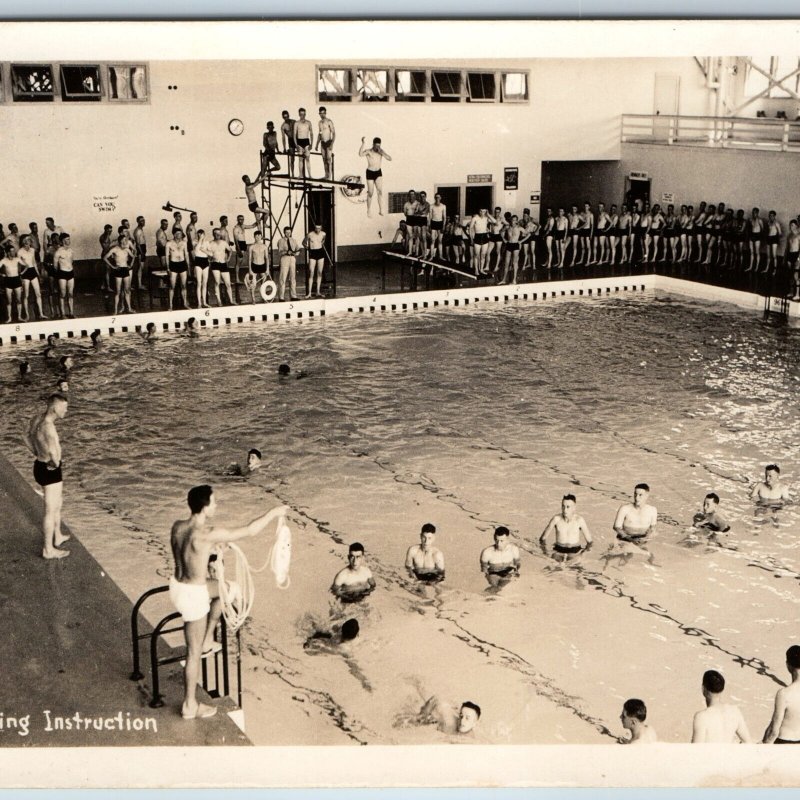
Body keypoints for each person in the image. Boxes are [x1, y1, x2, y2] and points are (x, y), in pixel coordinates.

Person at [170, 484, 288, 719]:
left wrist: (215, 547)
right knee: (193, 653)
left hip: (177, 587)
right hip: (193, 596)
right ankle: (189, 705)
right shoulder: (208, 533)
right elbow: (250, 530)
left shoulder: (178, 527)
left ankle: (207, 638)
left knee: (230, 589)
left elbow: (190, 552)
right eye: (214, 502)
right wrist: (275, 512)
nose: (217, 505)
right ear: (205, 507)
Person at [26, 393, 70, 559]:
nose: (66, 410)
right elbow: (53, 453)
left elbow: (26, 436)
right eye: (63, 407)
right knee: (50, 510)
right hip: (50, 470)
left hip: (40, 465)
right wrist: (56, 462)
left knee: (58, 503)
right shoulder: (49, 427)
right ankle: (48, 549)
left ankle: (57, 536)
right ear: (54, 408)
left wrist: (37, 452)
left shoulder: (38, 419)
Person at [691, 670, 752, 743]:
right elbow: (748, 742)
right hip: (728, 754)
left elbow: (695, 750)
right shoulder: (734, 711)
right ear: (722, 689)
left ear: (703, 689)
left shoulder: (701, 717)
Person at [763, 645, 800, 744]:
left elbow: (774, 732)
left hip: (785, 743)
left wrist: (762, 748)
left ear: (788, 665)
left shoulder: (784, 694)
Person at [539, 494, 593, 561]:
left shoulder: (579, 520)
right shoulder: (556, 519)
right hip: (558, 549)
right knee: (553, 568)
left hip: (575, 550)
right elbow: (542, 539)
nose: (565, 510)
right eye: (563, 506)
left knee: (576, 568)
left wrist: (582, 554)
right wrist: (545, 552)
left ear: (574, 508)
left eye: (568, 507)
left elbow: (590, 542)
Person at [359, 137, 392, 217]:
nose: (377, 148)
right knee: (370, 193)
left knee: (380, 191)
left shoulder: (381, 151)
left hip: (378, 172)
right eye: (376, 146)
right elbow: (360, 154)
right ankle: (369, 210)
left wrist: (382, 153)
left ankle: (381, 210)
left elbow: (390, 159)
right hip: (370, 172)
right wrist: (363, 143)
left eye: (379, 146)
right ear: (373, 144)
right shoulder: (369, 151)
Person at [103, 234, 135, 315]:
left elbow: (133, 256)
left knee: (127, 290)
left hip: (125, 270)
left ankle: (129, 308)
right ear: (120, 241)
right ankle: (116, 310)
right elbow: (105, 257)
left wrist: (131, 264)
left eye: (126, 240)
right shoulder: (115, 249)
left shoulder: (127, 250)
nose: (125, 242)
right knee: (118, 291)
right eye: (123, 240)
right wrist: (113, 266)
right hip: (118, 270)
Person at [207, 228, 235, 306]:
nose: (217, 235)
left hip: (223, 264)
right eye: (216, 233)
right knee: (217, 282)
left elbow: (230, 250)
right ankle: (219, 301)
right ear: (213, 234)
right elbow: (207, 253)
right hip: (215, 264)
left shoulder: (224, 243)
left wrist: (228, 259)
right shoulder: (210, 243)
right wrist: (209, 260)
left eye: (219, 234)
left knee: (228, 283)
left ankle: (231, 301)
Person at [165, 229, 190, 310]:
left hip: (182, 264)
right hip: (173, 264)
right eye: (177, 233)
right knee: (172, 286)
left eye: (180, 233)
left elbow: (186, 254)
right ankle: (170, 305)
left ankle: (185, 303)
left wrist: (188, 266)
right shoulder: (169, 243)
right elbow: (166, 256)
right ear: (174, 234)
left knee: (184, 285)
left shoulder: (184, 243)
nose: (179, 235)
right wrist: (168, 267)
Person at [0, 243, 24, 323]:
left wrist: (21, 273)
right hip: (8, 281)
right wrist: (2, 274)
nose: (13, 253)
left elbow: (27, 265)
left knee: (18, 300)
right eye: (11, 251)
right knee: (9, 301)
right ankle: (9, 318)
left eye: (14, 251)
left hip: (17, 280)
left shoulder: (17, 259)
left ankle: (19, 317)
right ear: (7, 252)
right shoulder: (3, 260)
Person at [232, 211, 259, 284]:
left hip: (244, 244)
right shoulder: (236, 228)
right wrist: (239, 250)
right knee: (238, 263)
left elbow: (252, 226)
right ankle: (237, 279)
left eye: (242, 219)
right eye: (240, 219)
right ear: (237, 220)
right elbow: (236, 240)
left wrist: (259, 220)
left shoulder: (243, 226)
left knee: (253, 247)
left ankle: (253, 272)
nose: (241, 220)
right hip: (239, 245)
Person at [53, 233, 76, 319]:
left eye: (69, 239)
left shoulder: (71, 250)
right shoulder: (58, 252)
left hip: (70, 273)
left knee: (70, 294)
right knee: (62, 294)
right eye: (67, 239)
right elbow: (55, 266)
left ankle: (71, 313)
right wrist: (59, 273)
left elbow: (71, 261)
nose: (69, 241)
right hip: (62, 273)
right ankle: (62, 314)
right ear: (62, 241)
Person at [247, 230, 271, 303]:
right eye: (256, 236)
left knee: (263, 283)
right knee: (253, 283)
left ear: (261, 237)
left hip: (262, 265)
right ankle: (253, 299)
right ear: (254, 237)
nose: (258, 237)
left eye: (259, 236)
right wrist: (250, 269)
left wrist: (267, 269)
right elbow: (250, 259)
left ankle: (263, 297)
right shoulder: (251, 247)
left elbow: (267, 258)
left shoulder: (264, 246)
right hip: (254, 265)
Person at [276, 226, 300, 302]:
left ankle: (293, 296)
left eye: (289, 232)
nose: (288, 234)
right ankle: (281, 297)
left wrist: (296, 253)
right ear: (284, 232)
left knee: (293, 277)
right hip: (285, 258)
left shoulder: (294, 240)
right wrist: (286, 252)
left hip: (292, 259)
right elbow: (279, 252)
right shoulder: (281, 241)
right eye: (286, 232)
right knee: (283, 278)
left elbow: (298, 249)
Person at [303, 223, 327, 298]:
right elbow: (303, 242)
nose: (318, 230)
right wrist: (308, 249)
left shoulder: (323, 234)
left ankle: (318, 292)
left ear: (321, 228)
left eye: (319, 228)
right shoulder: (310, 234)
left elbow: (323, 241)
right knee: (311, 272)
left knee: (319, 272)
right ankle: (309, 293)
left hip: (320, 252)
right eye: (316, 228)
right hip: (312, 253)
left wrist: (321, 243)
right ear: (314, 228)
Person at [315, 106, 336, 180]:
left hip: (328, 142)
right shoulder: (320, 122)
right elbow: (320, 134)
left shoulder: (329, 121)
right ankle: (326, 175)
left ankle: (329, 176)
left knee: (329, 160)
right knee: (324, 159)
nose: (322, 115)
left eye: (323, 113)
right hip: (322, 143)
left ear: (325, 113)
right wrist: (317, 144)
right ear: (319, 114)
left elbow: (334, 133)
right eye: (321, 113)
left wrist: (332, 144)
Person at [293, 108, 314, 179]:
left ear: (305, 114)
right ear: (299, 114)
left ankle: (310, 175)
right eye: (301, 114)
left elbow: (311, 134)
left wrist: (311, 144)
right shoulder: (296, 123)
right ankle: (300, 175)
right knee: (300, 159)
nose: (303, 116)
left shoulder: (308, 122)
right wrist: (296, 145)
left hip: (306, 141)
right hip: (299, 142)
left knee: (308, 159)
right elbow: (294, 135)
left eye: (304, 114)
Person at [193, 229, 212, 308]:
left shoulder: (207, 242)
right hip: (198, 262)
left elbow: (211, 254)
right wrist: (200, 239)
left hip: (205, 262)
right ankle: (199, 303)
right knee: (199, 283)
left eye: (202, 234)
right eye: (199, 235)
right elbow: (196, 251)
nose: (201, 236)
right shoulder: (195, 242)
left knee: (204, 283)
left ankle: (204, 302)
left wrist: (204, 250)